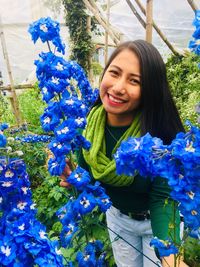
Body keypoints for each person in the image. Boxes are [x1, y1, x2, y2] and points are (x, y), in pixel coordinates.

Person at [60, 40, 189, 267]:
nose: (118, 87)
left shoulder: (157, 138)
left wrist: (171, 258)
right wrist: (74, 178)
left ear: (149, 91)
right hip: (117, 219)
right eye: (114, 73)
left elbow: (163, 198)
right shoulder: (87, 126)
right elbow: (90, 175)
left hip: (155, 224)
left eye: (134, 81)